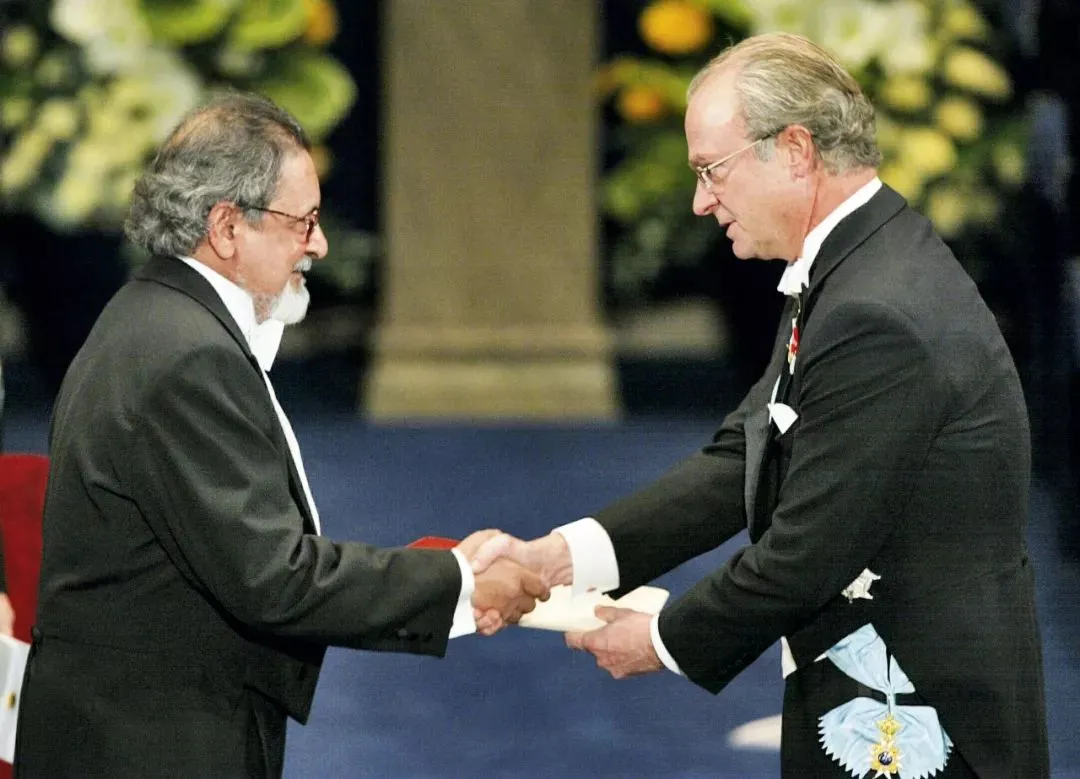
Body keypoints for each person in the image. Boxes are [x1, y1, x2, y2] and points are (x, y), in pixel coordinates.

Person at [472, 32, 1050, 778]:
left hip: (919, 727)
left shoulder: (875, 311)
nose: (700, 200)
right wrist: (559, 558)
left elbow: (806, 554)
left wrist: (662, 640)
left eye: (712, 170)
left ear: (797, 151)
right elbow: (745, 453)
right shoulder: (854, 263)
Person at [13, 92, 547, 778]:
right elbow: (274, 578)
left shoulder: (154, 317)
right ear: (228, 226)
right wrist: (459, 583)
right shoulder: (186, 355)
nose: (318, 245)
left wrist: (451, 576)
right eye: (305, 222)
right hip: (151, 746)